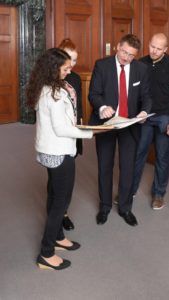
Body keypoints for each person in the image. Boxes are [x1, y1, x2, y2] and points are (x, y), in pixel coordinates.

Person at [26, 48, 94, 270]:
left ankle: (57, 236)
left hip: (50, 150)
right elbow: (62, 128)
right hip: (58, 151)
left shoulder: (47, 87)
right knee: (60, 202)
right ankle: (46, 252)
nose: (69, 70)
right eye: (65, 68)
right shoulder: (52, 93)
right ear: (54, 69)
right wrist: (91, 132)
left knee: (55, 194)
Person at [88, 34, 152, 226]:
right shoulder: (102, 65)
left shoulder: (141, 69)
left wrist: (143, 111)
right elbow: (94, 94)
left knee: (128, 168)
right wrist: (101, 107)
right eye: (124, 52)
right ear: (117, 47)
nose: (126, 58)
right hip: (107, 123)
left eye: (131, 55)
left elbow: (147, 96)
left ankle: (125, 207)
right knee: (105, 166)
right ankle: (105, 206)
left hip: (129, 125)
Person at [132, 33, 169, 210]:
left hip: (165, 117)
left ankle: (159, 194)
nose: (154, 51)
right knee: (138, 153)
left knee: (162, 157)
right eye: (152, 46)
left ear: (166, 49)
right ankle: (130, 189)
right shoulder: (140, 63)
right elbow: (135, 93)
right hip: (144, 117)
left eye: (159, 48)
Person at [58, 38, 82, 231]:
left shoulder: (75, 78)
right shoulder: (50, 79)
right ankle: (56, 213)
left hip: (72, 135)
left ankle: (64, 212)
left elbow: (78, 107)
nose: (72, 65)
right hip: (56, 137)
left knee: (69, 177)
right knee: (56, 177)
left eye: (74, 60)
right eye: (69, 60)